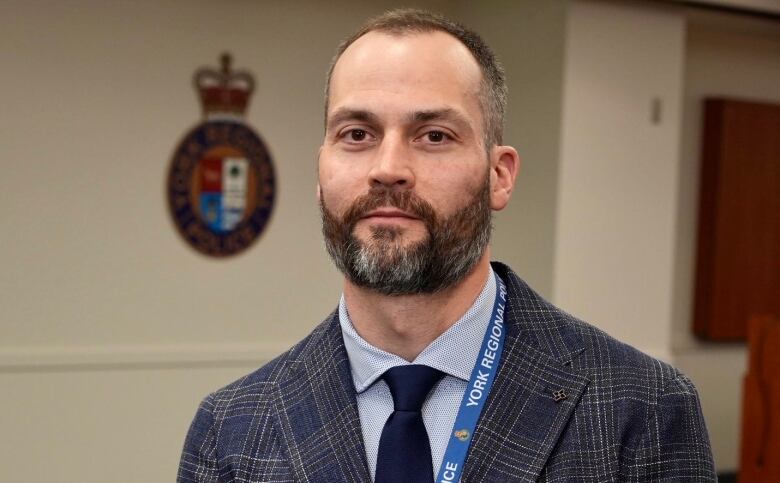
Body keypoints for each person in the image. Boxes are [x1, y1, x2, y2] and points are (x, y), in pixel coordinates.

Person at [178, 9, 716, 482]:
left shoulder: (641, 409)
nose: (388, 168)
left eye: (433, 135)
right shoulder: (232, 433)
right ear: (320, 173)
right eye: (357, 134)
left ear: (499, 176)